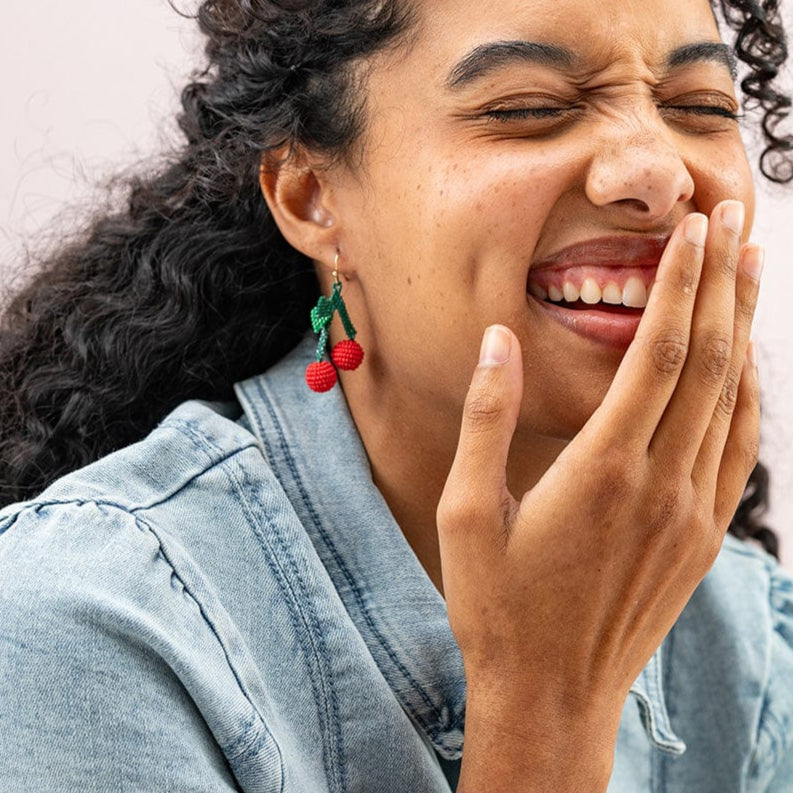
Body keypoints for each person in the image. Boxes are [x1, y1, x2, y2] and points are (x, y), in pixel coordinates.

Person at [1, 0, 792, 790]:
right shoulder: (85, 624)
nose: (655, 173)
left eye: (699, 107)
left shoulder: (751, 643)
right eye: (527, 108)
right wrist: (547, 700)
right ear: (310, 195)